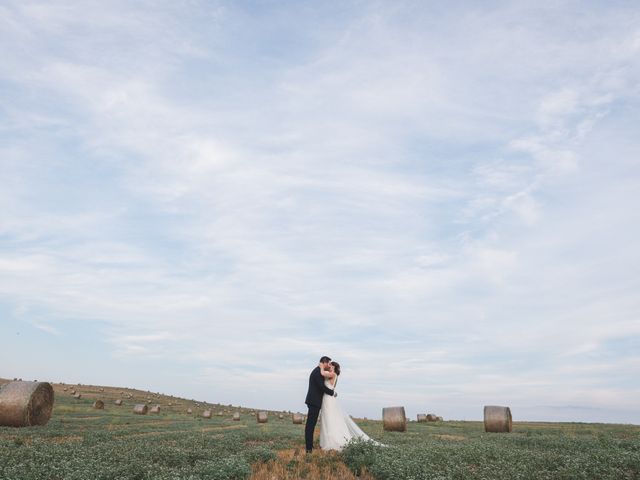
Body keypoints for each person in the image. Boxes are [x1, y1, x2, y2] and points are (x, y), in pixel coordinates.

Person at [319, 361, 381, 451]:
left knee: (329, 418)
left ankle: (333, 440)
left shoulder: (333, 374)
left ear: (333, 367)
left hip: (328, 398)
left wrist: (321, 366)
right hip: (327, 398)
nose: (329, 366)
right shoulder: (332, 374)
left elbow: (322, 373)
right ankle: (327, 440)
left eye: (331, 365)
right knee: (328, 418)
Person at [304, 356, 337, 453]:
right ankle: (309, 449)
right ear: (325, 363)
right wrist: (332, 393)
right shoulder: (318, 372)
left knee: (311, 425)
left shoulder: (319, 371)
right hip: (314, 402)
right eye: (329, 363)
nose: (329, 365)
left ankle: (310, 446)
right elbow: (322, 387)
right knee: (310, 426)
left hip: (314, 402)